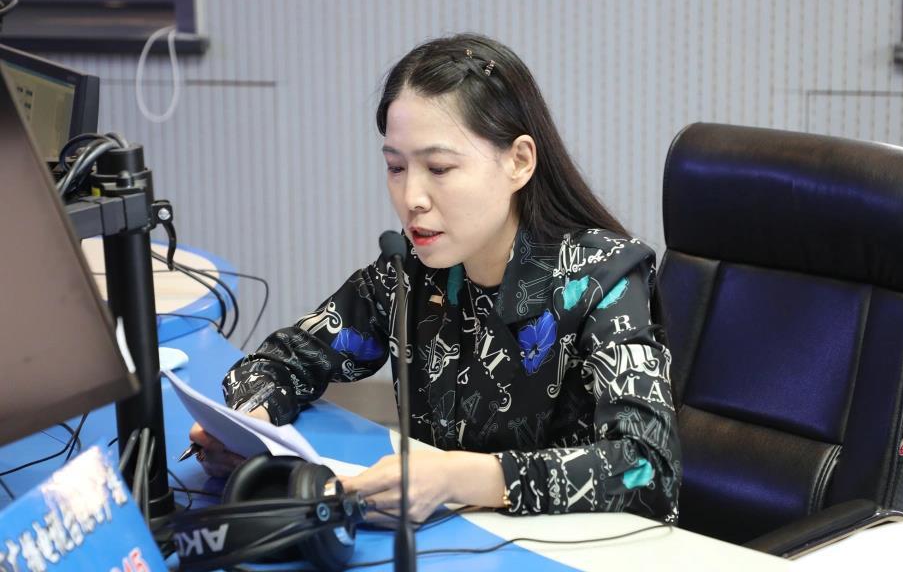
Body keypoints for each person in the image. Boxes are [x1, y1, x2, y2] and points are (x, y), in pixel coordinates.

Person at [191, 33, 682, 523]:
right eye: (396, 167)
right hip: (454, 540)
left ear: (519, 161)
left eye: (439, 168)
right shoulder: (410, 273)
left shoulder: (604, 277)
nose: (412, 198)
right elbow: (284, 360)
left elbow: (648, 468)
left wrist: (457, 477)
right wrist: (248, 429)